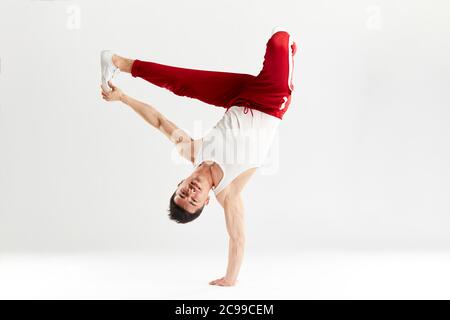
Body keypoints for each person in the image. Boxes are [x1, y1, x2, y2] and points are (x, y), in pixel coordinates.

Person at [100, 27, 297, 286]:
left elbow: (159, 122)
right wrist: (230, 278)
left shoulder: (192, 151)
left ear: (179, 184)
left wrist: (123, 97)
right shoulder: (230, 192)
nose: (191, 193)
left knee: (182, 84)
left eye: (182, 193)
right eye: (193, 200)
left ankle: (117, 62)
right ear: (205, 202)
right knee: (280, 42)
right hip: (271, 102)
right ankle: (290, 52)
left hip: (237, 97)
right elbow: (237, 239)